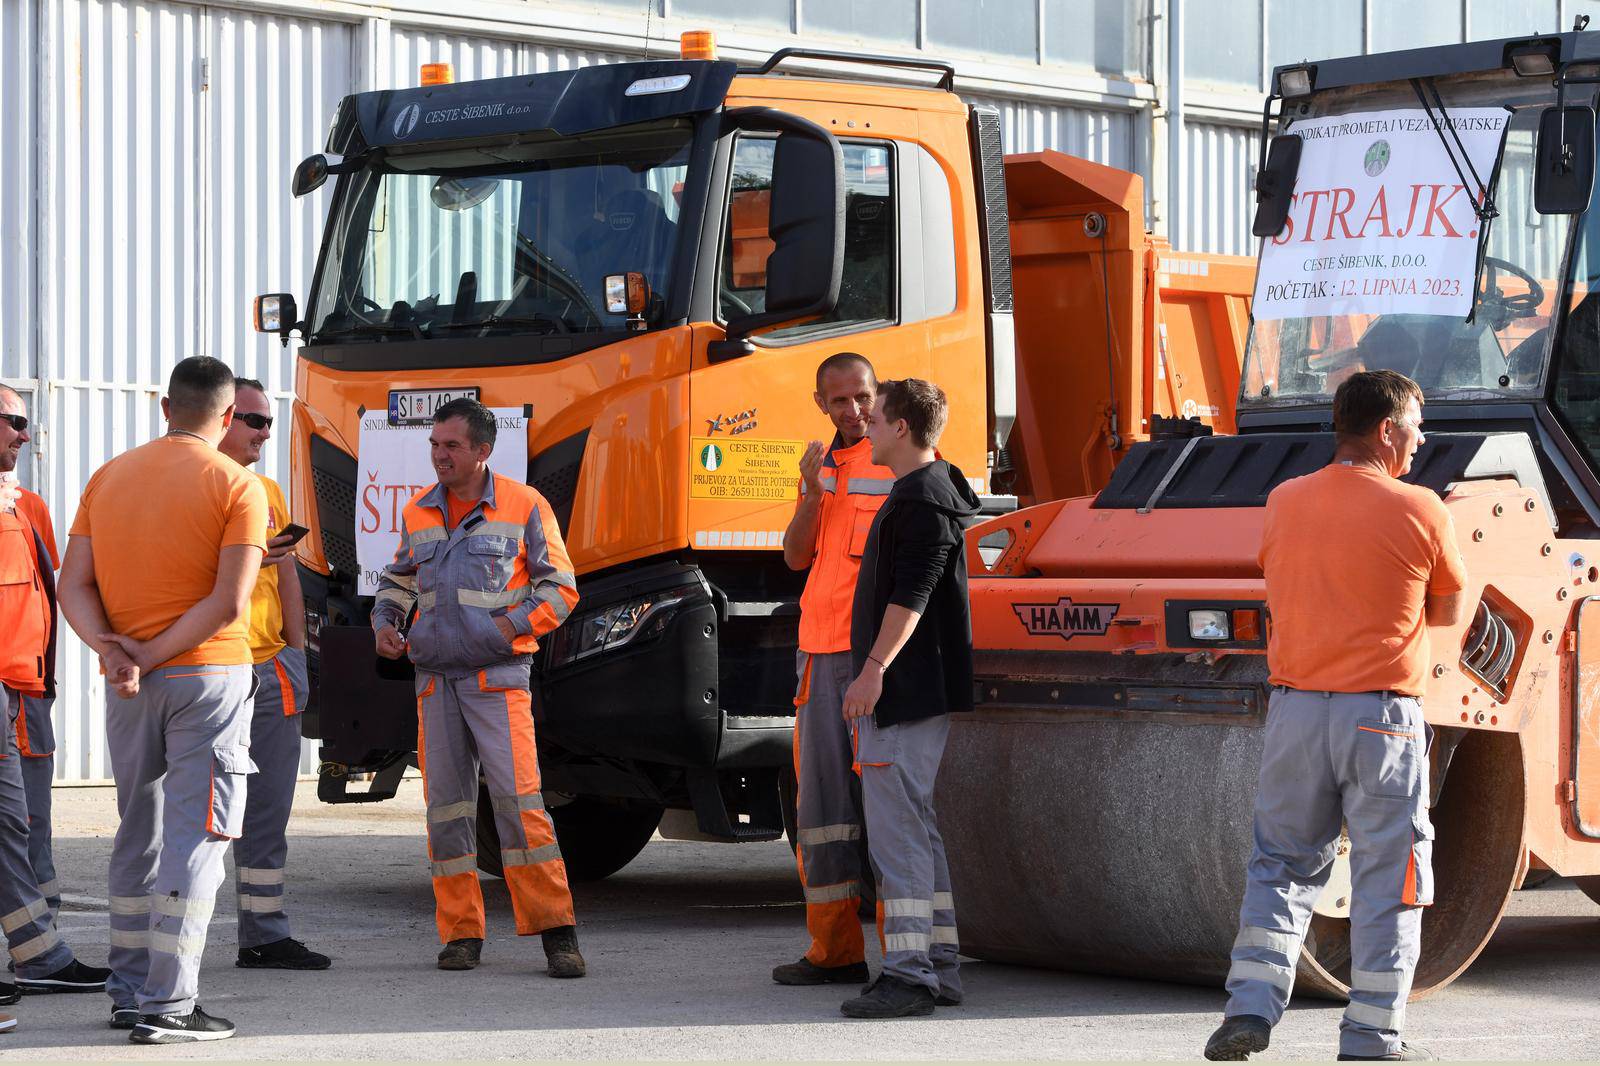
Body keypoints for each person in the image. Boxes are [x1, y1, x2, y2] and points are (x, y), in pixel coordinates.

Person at [1203, 370, 1465, 1063]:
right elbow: (1446, 610)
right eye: (1414, 424)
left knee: (1281, 868)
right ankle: (1372, 1036)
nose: (1420, 438)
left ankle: (1250, 1012)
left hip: (1294, 716)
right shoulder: (1422, 508)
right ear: (1386, 430)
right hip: (1379, 720)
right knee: (1389, 876)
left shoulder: (1284, 500)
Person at [59, 356, 268, 1043]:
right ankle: (170, 1004)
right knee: (197, 841)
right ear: (229, 415)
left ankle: (128, 990)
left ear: (164, 406)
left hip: (130, 688)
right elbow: (230, 599)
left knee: (137, 834)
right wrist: (148, 653)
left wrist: (113, 651)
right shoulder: (238, 484)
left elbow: (74, 586)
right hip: (206, 678)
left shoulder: (109, 477)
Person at [371, 398, 584, 977]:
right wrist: (386, 625)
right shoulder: (419, 511)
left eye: (452, 446)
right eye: (435, 445)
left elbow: (561, 591)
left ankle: (556, 932)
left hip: (497, 678)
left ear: (483, 451)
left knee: (519, 805)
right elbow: (397, 578)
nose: (440, 455)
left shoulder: (524, 505)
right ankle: (461, 934)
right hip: (435, 682)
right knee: (447, 810)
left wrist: (506, 628)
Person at [837, 378, 979, 1019]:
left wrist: (871, 672)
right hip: (920, 690)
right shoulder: (932, 490)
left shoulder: (920, 500)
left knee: (897, 838)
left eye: (876, 414)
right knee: (916, 829)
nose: (864, 421)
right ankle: (938, 964)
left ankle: (908, 974)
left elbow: (910, 598)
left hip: (900, 694)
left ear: (901, 427)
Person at [772, 353, 894, 988]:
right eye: (841, 401)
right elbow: (795, 557)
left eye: (864, 396)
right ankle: (835, 951)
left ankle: (908, 959)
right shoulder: (819, 467)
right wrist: (811, 496)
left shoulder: (901, 460)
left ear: (880, 394)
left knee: (888, 808)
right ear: (821, 404)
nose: (855, 410)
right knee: (822, 810)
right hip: (818, 655)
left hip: (876, 659)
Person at [0, 386, 112, 1031]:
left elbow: (61, 589)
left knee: (31, 826)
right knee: (9, 826)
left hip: (29, 692)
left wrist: (103, 649)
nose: (23, 433)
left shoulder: (29, 507)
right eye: (12, 422)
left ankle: (36, 950)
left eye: (24, 422)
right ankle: (40, 954)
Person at [215, 378, 330, 971]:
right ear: (222, 415)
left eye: (267, 421)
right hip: (210, 672)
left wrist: (293, 650)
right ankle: (166, 939)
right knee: (198, 815)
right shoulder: (194, 485)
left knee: (267, 814)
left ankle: (263, 934)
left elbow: (286, 573)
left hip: (268, 669)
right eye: (254, 421)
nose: (265, 432)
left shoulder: (266, 489)